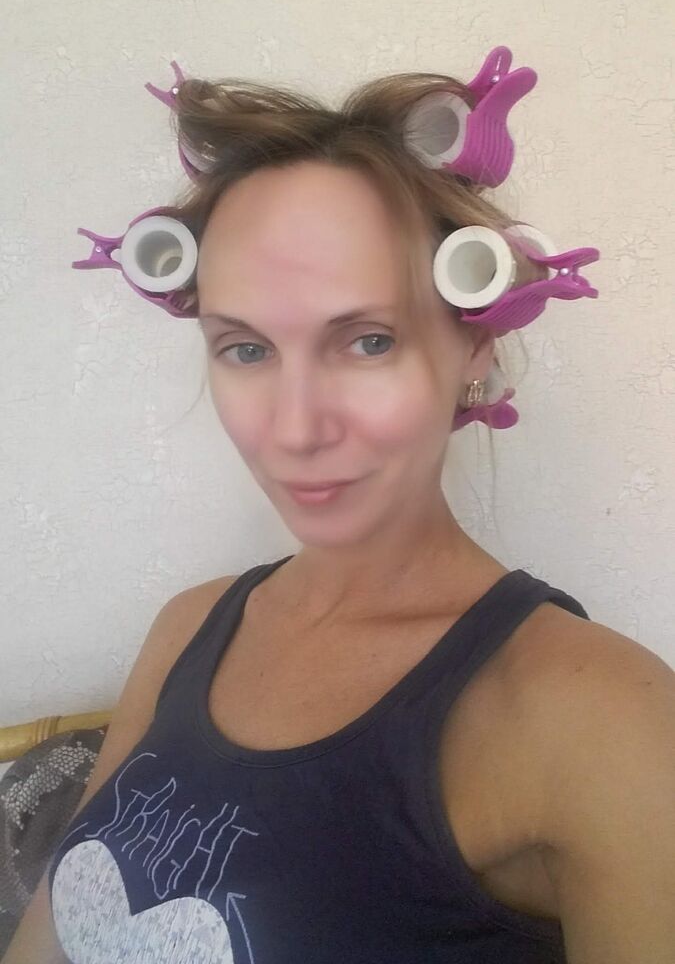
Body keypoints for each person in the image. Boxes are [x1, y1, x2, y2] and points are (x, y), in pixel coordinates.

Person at [5, 51, 674, 963]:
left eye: (366, 341)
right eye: (245, 349)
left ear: (474, 344)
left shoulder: (598, 720)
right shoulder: (185, 629)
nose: (295, 428)